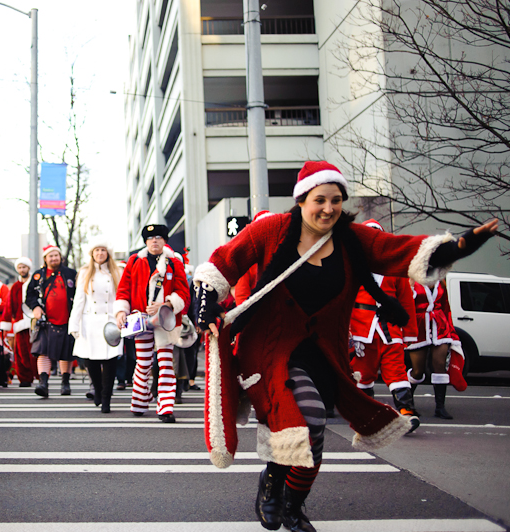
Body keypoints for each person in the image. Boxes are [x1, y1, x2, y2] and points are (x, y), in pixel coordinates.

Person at [193, 160, 497, 532]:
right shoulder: (272, 230)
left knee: (315, 432)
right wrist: (205, 300)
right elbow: (224, 262)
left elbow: (402, 252)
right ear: (302, 200)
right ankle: (273, 479)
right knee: (307, 413)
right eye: (320, 199)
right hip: (272, 349)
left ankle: (293, 504)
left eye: (336, 200)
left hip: (326, 351)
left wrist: (460, 245)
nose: (328, 208)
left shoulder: (353, 239)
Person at [349, 219, 420, 432]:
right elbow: (345, 303)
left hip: (390, 330)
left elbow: (406, 301)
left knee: (397, 371)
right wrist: (349, 333)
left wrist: (410, 333)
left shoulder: (395, 268)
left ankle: (407, 412)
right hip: (362, 331)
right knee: (363, 374)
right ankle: (365, 415)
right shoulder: (352, 267)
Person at [114, 224, 191, 423]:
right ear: (146, 241)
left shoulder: (175, 262)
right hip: (140, 319)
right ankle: (139, 401)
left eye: (158, 237)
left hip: (165, 319)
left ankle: (165, 407)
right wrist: (121, 310)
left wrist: (166, 304)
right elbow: (124, 288)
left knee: (165, 363)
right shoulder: (134, 261)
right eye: (150, 238)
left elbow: (184, 293)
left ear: (165, 240)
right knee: (143, 362)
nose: (154, 241)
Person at [68, 237, 123, 413]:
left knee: (110, 362)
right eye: (97, 250)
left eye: (103, 250)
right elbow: (79, 299)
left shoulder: (116, 272)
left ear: (108, 254)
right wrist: (74, 324)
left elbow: (120, 298)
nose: (100, 253)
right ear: (92, 253)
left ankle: (106, 398)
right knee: (89, 361)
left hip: (110, 322)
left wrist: (122, 317)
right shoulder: (85, 272)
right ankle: (98, 390)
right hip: (89, 321)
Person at [405, 280, 467, 419]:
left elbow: (446, 308)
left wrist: (451, 331)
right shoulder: (411, 282)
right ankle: (407, 404)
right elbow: (405, 305)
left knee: (440, 366)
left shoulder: (441, 282)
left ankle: (440, 407)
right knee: (417, 371)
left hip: (440, 326)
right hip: (418, 327)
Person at [26, 245, 78, 397]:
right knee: (43, 352)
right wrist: (35, 307)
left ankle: (65, 383)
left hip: (67, 319)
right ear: (45, 258)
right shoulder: (38, 275)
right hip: (45, 321)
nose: (54, 258)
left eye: (56, 255)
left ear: (60, 257)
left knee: (66, 353)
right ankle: (43, 383)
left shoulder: (70, 273)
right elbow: (30, 296)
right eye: (51, 256)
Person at [0, 257, 37, 387]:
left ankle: (41, 376)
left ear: (29, 268)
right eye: (20, 267)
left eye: (24, 267)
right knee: (21, 352)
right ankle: (25, 378)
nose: (22, 270)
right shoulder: (15, 287)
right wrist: (5, 323)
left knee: (37, 351)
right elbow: (9, 305)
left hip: (35, 322)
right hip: (20, 323)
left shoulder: (36, 283)